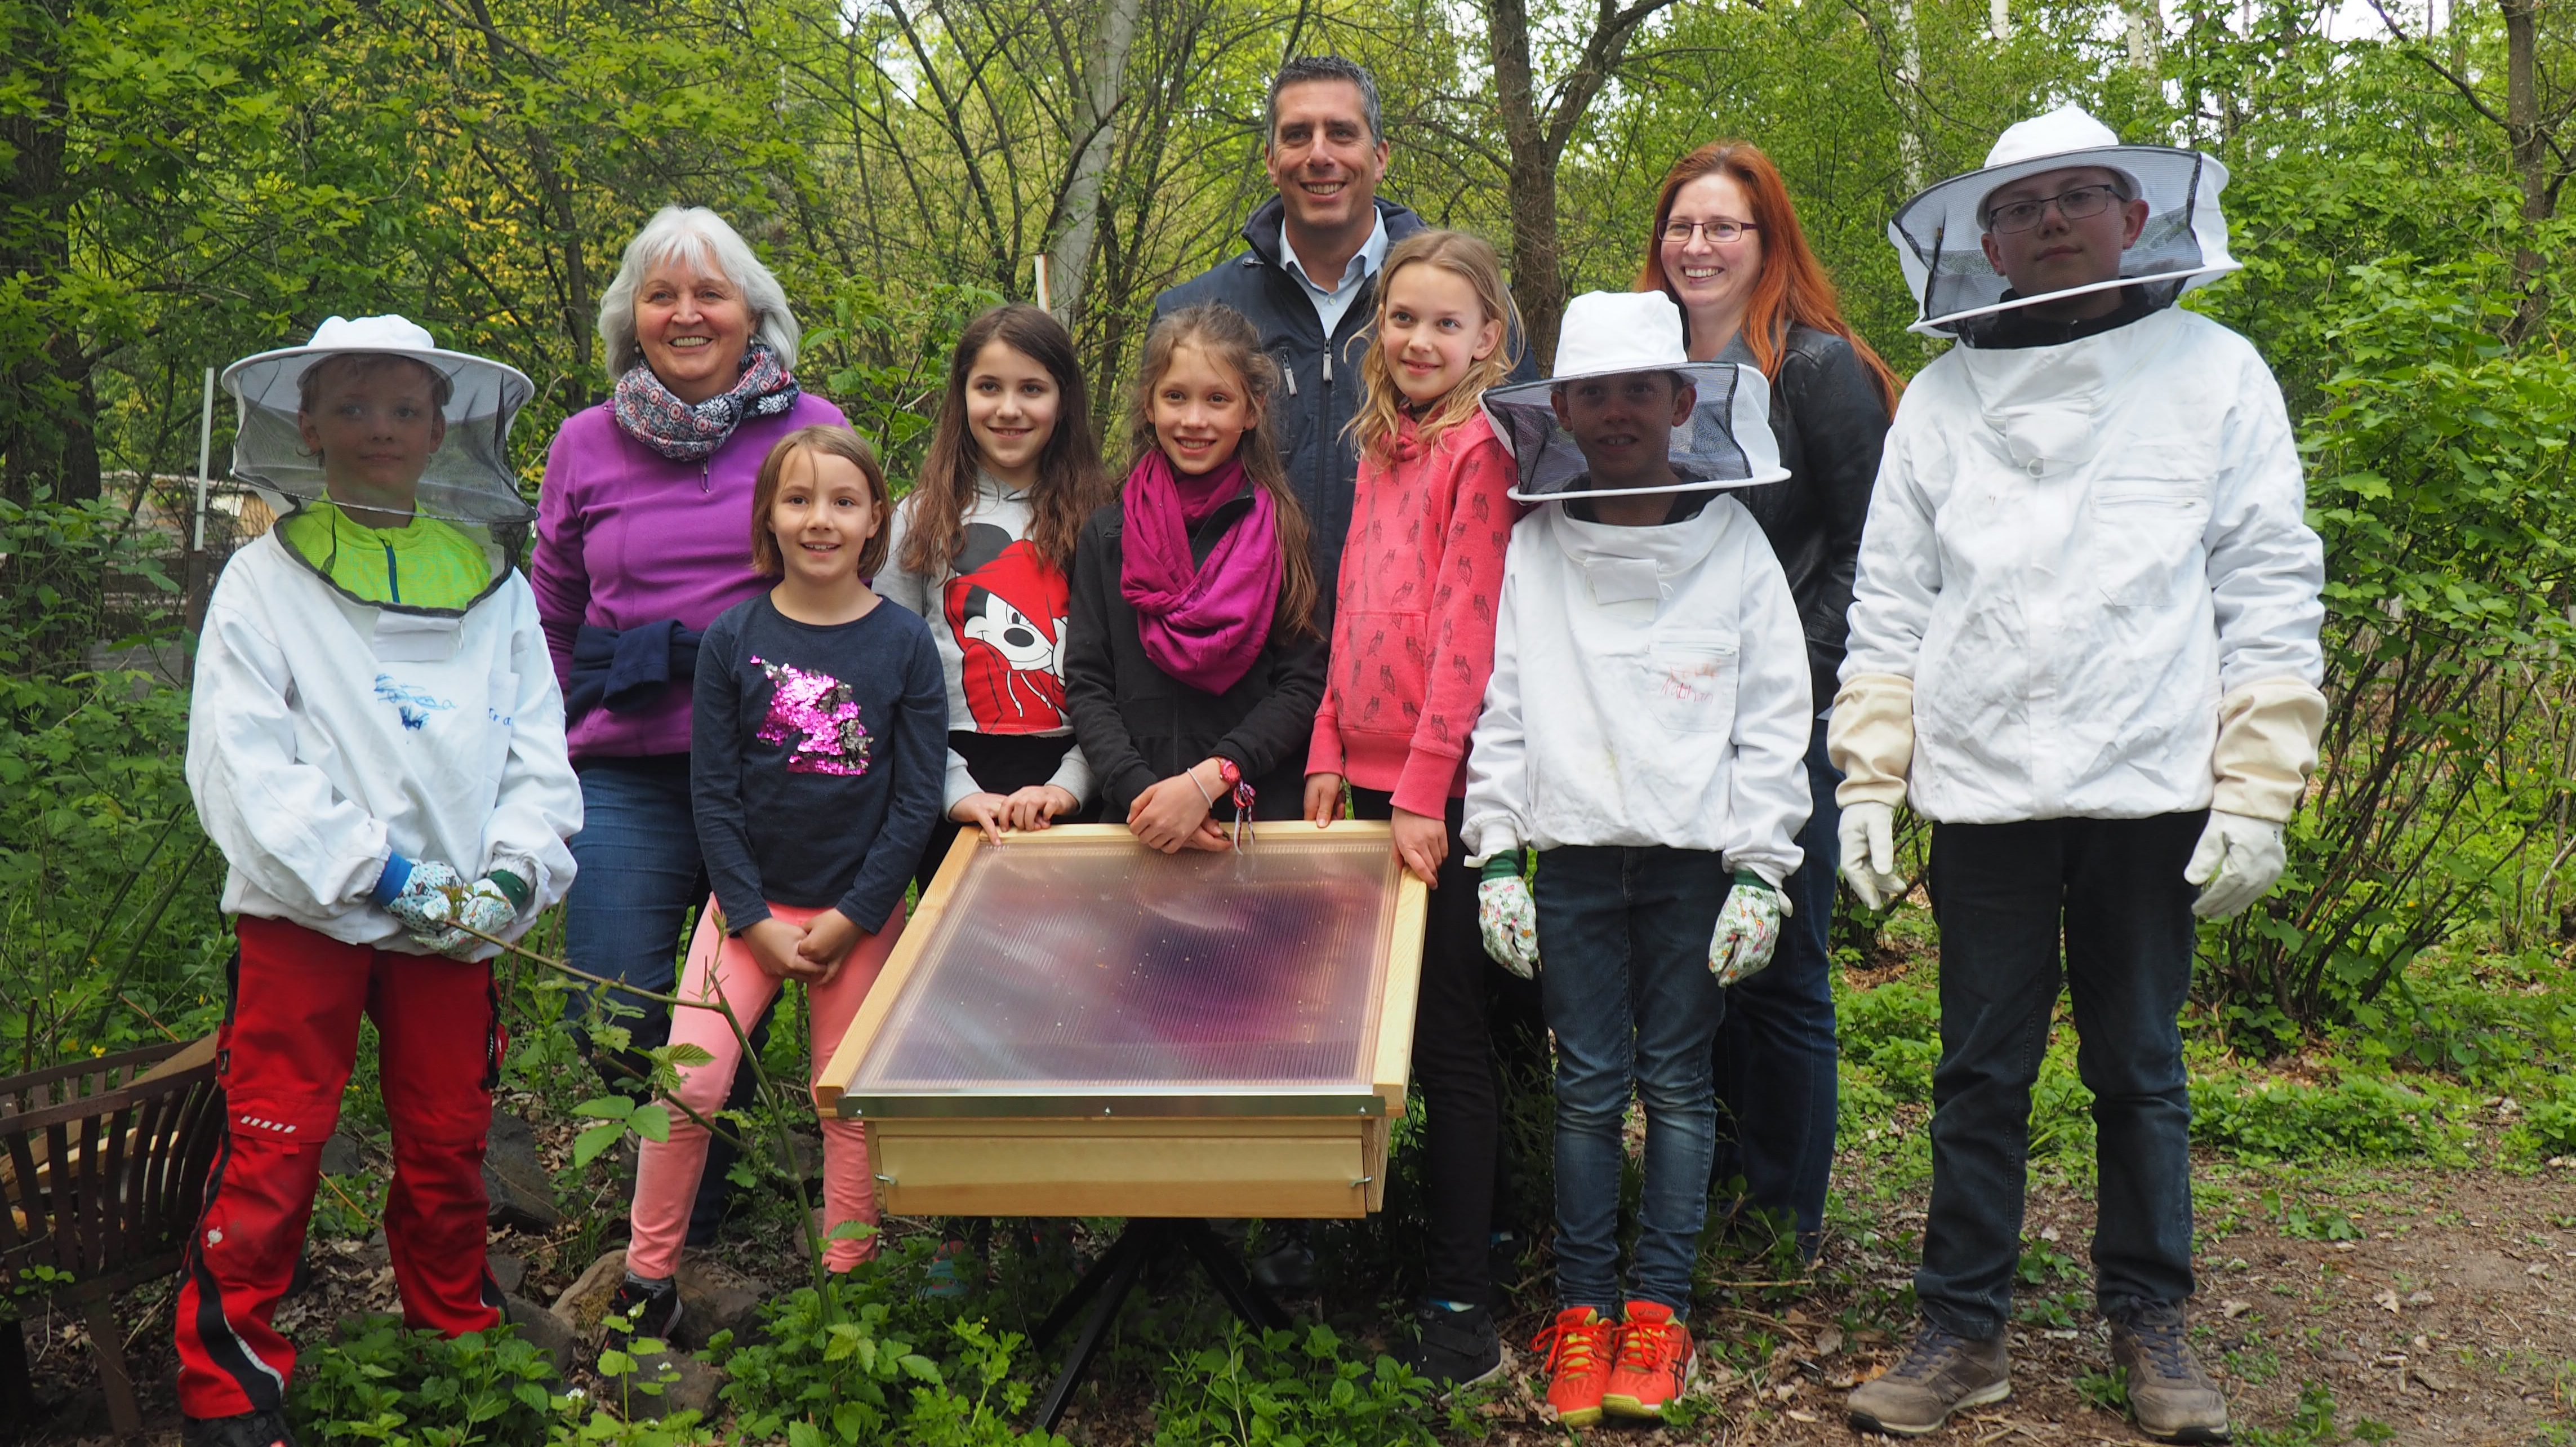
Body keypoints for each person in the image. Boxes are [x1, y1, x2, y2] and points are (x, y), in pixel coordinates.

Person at [1835, 105, 2324, 1442]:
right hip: (1984, 782)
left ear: (2134, 215)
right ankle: (1959, 1328)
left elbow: (2267, 578)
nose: (2049, 219)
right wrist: (1869, 776)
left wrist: (2259, 781)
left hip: (2151, 773)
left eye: (2078, 194)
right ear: (1982, 241)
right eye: (2021, 203)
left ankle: (2150, 1320)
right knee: (1978, 1069)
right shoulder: (1936, 399)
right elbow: (1889, 599)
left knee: (2141, 1063)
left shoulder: (2218, 371)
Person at [181, 316, 581, 1447]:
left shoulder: (493, 589)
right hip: (307, 916)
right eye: (354, 408)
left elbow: (536, 757)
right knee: (274, 1139)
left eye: (405, 409)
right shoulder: (262, 585)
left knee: (451, 1139)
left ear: (442, 425)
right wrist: (385, 873)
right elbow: (244, 766)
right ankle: (230, 1387)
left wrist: (510, 876)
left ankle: (455, 1340)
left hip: (456, 926)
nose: (381, 430)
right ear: (306, 425)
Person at [1464, 291, 1813, 1426]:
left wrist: (1764, 868)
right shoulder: (1534, 549)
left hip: (1690, 866)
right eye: (1593, 394)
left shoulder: (1737, 544)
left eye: (1636, 393)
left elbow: (1773, 714)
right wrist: (1496, 856)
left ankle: (1656, 1312)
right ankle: (1581, 1312)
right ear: (1561, 409)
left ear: (1680, 401)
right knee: (1584, 1093)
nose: (1615, 414)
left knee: (1677, 1088)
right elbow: (1503, 707)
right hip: (1566, 860)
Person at [531, 207, 848, 1244]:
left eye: (708, 291)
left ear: (751, 309)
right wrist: (537, 751)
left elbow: (853, 595)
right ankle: (713, 1155)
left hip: (776, 769)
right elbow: (552, 615)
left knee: (762, 988)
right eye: (661, 294)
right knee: (609, 1006)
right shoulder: (584, 443)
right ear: (632, 318)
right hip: (629, 763)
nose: (685, 312)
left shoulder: (812, 429)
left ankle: (701, 1218)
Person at [608, 425, 946, 1337]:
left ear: (876, 516)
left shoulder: (905, 644)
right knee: (690, 1088)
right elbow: (711, 795)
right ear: (768, 516)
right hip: (746, 912)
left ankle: (848, 1285)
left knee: (843, 1101)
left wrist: (852, 916)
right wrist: (751, 916)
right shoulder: (733, 639)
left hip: (857, 917)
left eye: (842, 500)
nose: (819, 519)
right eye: (798, 500)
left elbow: (914, 800)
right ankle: (646, 1279)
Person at [1637, 140, 1904, 1260]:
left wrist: (1794, 680)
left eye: (1724, 228)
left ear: (1768, 242)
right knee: (1702, 956)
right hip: (1671, 714)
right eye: (1682, 227)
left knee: (1783, 963)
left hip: (1789, 724)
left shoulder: (1816, 369)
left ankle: (1783, 1213)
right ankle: (1716, 1179)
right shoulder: (1641, 369)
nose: (1698, 247)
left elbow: (1868, 548)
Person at [1294, 229, 1539, 1384]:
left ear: (1488, 337)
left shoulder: (1475, 452)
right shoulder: (1379, 449)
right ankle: (1381, 1245)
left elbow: (1465, 636)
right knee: (1362, 1030)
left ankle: (1462, 1301)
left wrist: (1426, 791)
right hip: (1364, 782)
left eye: (1446, 322)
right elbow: (1353, 604)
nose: (1420, 340)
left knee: (1447, 1041)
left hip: (1437, 795)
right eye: (1402, 319)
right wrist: (1327, 751)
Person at [1063, 302, 1327, 850]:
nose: (1194, 420)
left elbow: (1302, 684)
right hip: (1136, 826)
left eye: (1218, 400)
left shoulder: (1284, 534)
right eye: (1175, 397)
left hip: (1252, 823)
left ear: (1251, 411)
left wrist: (1210, 782)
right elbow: (1089, 684)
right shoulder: (1107, 536)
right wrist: (1146, 796)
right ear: (1149, 404)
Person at [1151, 55, 1414, 589]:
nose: (1320, 155)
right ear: (1272, 161)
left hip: (1404, 646)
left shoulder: (1464, 311)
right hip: (1239, 651)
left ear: (1380, 156)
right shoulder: (1191, 314)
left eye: (1341, 133)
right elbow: (1152, 505)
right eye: (1298, 135)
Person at [878, 303, 1109, 886]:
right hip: (952, 785)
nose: (1009, 409)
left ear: (1063, 400)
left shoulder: (1104, 520)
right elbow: (892, 677)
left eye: (1032, 388)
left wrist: (1068, 786)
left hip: (1076, 776)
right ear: (962, 398)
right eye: (989, 387)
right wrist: (954, 791)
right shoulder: (918, 519)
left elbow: (1121, 677)